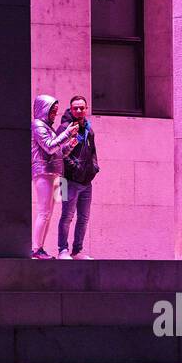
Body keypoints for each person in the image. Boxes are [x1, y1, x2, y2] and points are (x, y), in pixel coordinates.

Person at [31, 94, 80, 259]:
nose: (54, 114)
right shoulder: (37, 125)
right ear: (44, 109)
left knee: (49, 212)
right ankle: (36, 248)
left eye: (56, 111)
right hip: (44, 172)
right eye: (52, 111)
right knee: (44, 211)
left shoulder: (48, 128)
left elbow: (59, 152)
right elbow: (49, 147)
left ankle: (40, 249)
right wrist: (66, 133)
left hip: (55, 173)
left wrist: (70, 143)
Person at [56, 95, 99, 259]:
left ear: (86, 109)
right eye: (76, 108)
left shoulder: (89, 129)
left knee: (84, 217)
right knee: (67, 215)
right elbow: (58, 153)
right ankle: (62, 250)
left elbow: (93, 151)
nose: (79, 111)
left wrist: (94, 168)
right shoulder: (64, 128)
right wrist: (76, 166)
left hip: (86, 181)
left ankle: (77, 251)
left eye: (82, 108)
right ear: (71, 109)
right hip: (67, 180)